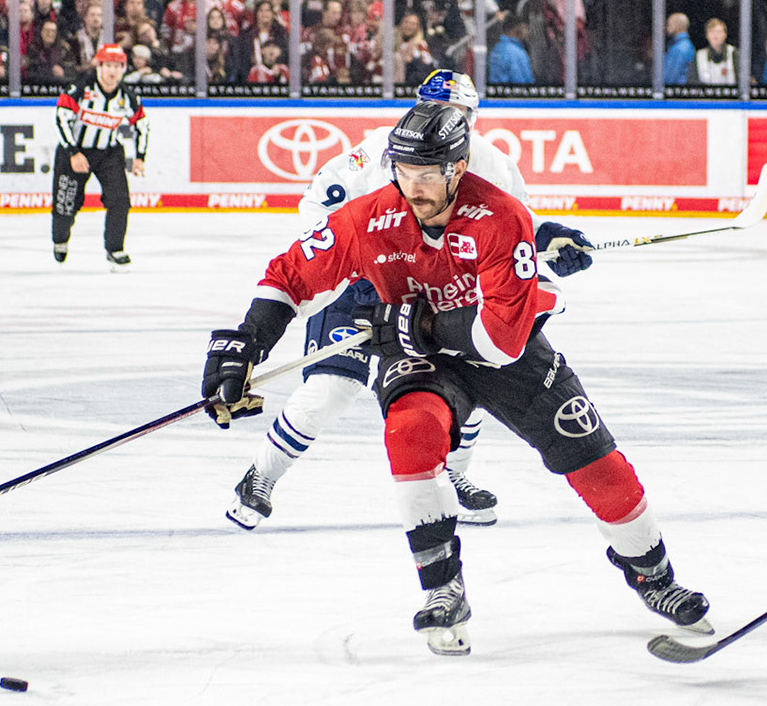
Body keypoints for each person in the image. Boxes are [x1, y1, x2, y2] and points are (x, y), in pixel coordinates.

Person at [201, 99, 709, 656]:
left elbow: (500, 341)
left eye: (425, 175)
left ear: (458, 169)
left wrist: (417, 320)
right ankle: (443, 591)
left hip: (502, 351)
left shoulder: (500, 217)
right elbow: (290, 275)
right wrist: (244, 342)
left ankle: (655, 578)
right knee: (409, 436)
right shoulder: (368, 216)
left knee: (598, 464)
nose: (411, 187)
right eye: (403, 172)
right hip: (419, 356)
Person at [222, 72, 595, 535]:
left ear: (471, 120)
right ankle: (261, 475)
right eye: (433, 107)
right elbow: (319, 213)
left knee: (470, 375)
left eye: (457, 114)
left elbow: (510, 225)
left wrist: (550, 239)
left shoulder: (492, 163)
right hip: (360, 283)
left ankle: (452, 471)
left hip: (435, 292)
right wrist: (363, 273)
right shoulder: (376, 151)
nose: (444, 120)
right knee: (332, 388)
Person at [51, 43, 146, 269]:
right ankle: (60, 239)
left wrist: (140, 156)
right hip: (75, 151)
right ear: (99, 67)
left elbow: (142, 125)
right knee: (66, 204)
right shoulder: (80, 88)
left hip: (109, 153)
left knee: (120, 200)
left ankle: (115, 248)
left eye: (117, 66)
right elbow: (61, 118)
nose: (112, 72)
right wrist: (73, 152)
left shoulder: (127, 97)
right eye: (108, 66)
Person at [488, 16, 534, 83]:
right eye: (525, 27)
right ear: (519, 28)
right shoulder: (516, 53)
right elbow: (521, 82)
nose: (528, 31)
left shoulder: (496, 48)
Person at [693, 17, 736, 84]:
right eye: (711, 31)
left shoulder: (734, 53)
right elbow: (693, 81)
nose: (715, 35)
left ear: (725, 35)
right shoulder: (699, 56)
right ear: (707, 35)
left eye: (718, 32)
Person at [660, 12, 694, 87]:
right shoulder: (679, 45)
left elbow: (670, 78)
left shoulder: (680, 49)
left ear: (676, 26)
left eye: (669, 25)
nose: (667, 28)